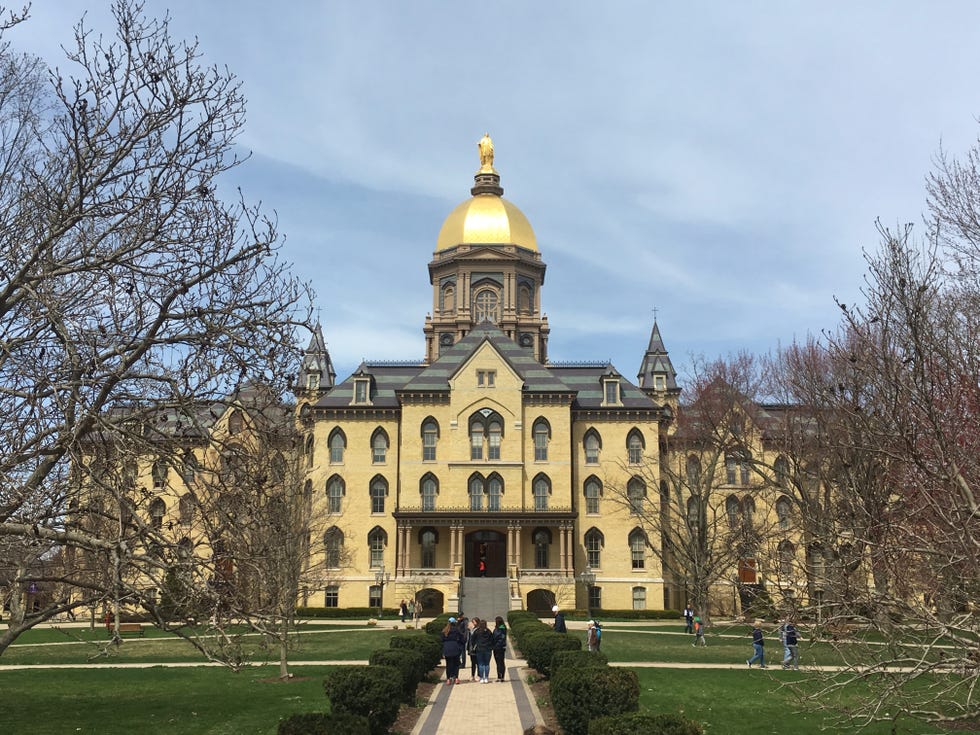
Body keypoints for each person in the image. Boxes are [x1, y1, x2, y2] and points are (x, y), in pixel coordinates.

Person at [442, 617, 465, 685]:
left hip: (447, 648)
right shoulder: (457, 630)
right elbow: (463, 640)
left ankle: (448, 679)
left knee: (448, 664)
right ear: (455, 623)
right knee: (456, 664)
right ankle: (456, 678)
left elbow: (441, 640)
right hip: (455, 648)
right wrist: (460, 646)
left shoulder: (444, 631)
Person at [471, 617, 494, 683]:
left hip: (479, 649)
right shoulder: (489, 631)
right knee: (487, 664)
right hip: (488, 649)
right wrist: (491, 647)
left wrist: (474, 646)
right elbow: (492, 640)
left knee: (480, 664)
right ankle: (486, 678)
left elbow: (472, 640)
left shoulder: (477, 631)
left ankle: (481, 678)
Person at [492, 616, 508, 681]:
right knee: (498, 662)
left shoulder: (502, 628)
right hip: (497, 647)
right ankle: (499, 676)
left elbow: (500, 638)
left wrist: (496, 644)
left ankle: (502, 676)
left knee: (500, 662)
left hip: (499, 647)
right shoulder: (498, 628)